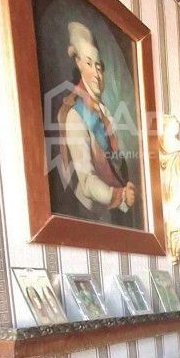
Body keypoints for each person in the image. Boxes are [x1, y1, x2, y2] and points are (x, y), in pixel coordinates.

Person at [53, 22, 138, 226]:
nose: (97, 74)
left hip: (114, 213)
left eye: (99, 67)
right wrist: (120, 195)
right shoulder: (75, 116)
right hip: (93, 217)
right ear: (79, 65)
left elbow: (114, 161)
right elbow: (87, 182)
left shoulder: (104, 112)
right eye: (89, 64)